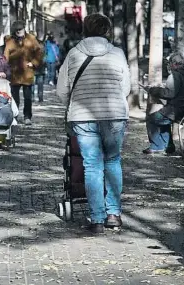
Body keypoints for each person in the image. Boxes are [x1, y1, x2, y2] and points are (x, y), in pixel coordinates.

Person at [56, 13, 130, 234]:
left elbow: (62, 90)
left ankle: (97, 218)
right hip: (114, 114)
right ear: (107, 30)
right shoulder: (117, 54)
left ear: (84, 29)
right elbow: (125, 87)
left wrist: (72, 104)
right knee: (113, 161)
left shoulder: (74, 54)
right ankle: (114, 214)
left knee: (92, 166)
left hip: (83, 115)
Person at [143, 52, 184, 154]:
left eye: (170, 63)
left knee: (152, 118)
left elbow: (169, 94)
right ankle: (168, 146)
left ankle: (157, 146)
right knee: (163, 117)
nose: (169, 65)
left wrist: (152, 89)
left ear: (174, 63)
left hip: (176, 111)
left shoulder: (174, 76)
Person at [4, 20, 44, 125]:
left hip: (27, 73)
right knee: (14, 97)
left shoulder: (31, 38)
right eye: (17, 30)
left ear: (24, 28)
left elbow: (39, 52)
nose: (19, 32)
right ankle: (15, 116)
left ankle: (27, 116)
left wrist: (34, 63)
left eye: (20, 30)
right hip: (14, 73)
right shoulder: (9, 40)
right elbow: (5, 56)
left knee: (27, 97)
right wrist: (4, 68)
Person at [34, 38, 46, 103]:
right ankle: (40, 98)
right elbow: (44, 60)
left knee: (32, 85)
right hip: (40, 70)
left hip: (33, 69)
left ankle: (32, 98)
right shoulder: (42, 48)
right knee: (40, 85)